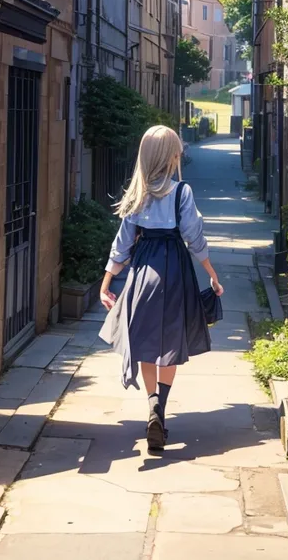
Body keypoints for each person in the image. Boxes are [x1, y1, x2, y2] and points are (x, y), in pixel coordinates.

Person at [99, 125, 224, 451]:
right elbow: (194, 238)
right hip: (175, 273)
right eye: (176, 150)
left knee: (145, 340)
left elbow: (123, 244)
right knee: (170, 342)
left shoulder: (137, 195)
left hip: (143, 275)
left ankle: (151, 402)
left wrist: (106, 282)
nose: (179, 154)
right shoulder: (181, 192)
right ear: (169, 156)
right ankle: (159, 409)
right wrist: (212, 274)